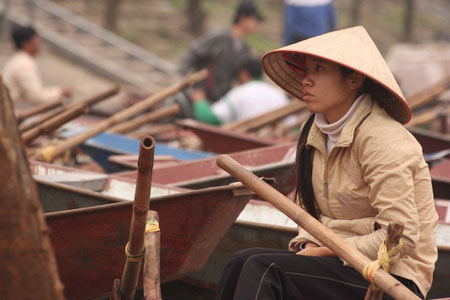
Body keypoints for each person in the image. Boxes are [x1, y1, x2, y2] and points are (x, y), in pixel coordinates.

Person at [214, 26, 438, 300]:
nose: (307, 80)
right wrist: (310, 242)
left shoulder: (383, 139)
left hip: (392, 276)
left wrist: (326, 249)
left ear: (354, 80)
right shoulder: (314, 133)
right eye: (307, 70)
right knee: (240, 262)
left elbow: (400, 238)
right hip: (337, 263)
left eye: (319, 70)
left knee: (265, 269)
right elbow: (307, 212)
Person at [179, 1, 263, 103]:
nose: (257, 24)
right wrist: (181, 76)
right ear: (243, 18)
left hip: (220, 100)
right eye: (254, 20)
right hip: (199, 95)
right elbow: (193, 52)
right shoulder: (219, 37)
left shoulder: (244, 49)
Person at [190, 57, 293, 126]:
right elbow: (291, 124)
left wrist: (200, 102)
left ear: (243, 74)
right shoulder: (278, 93)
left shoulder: (241, 92)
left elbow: (211, 118)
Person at [2, 25, 71, 105]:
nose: (39, 45)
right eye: (37, 41)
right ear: (26, 44)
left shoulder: (19, 60)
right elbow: (35, 96)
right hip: (15, 111)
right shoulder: (24, 63)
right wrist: (60, 92)